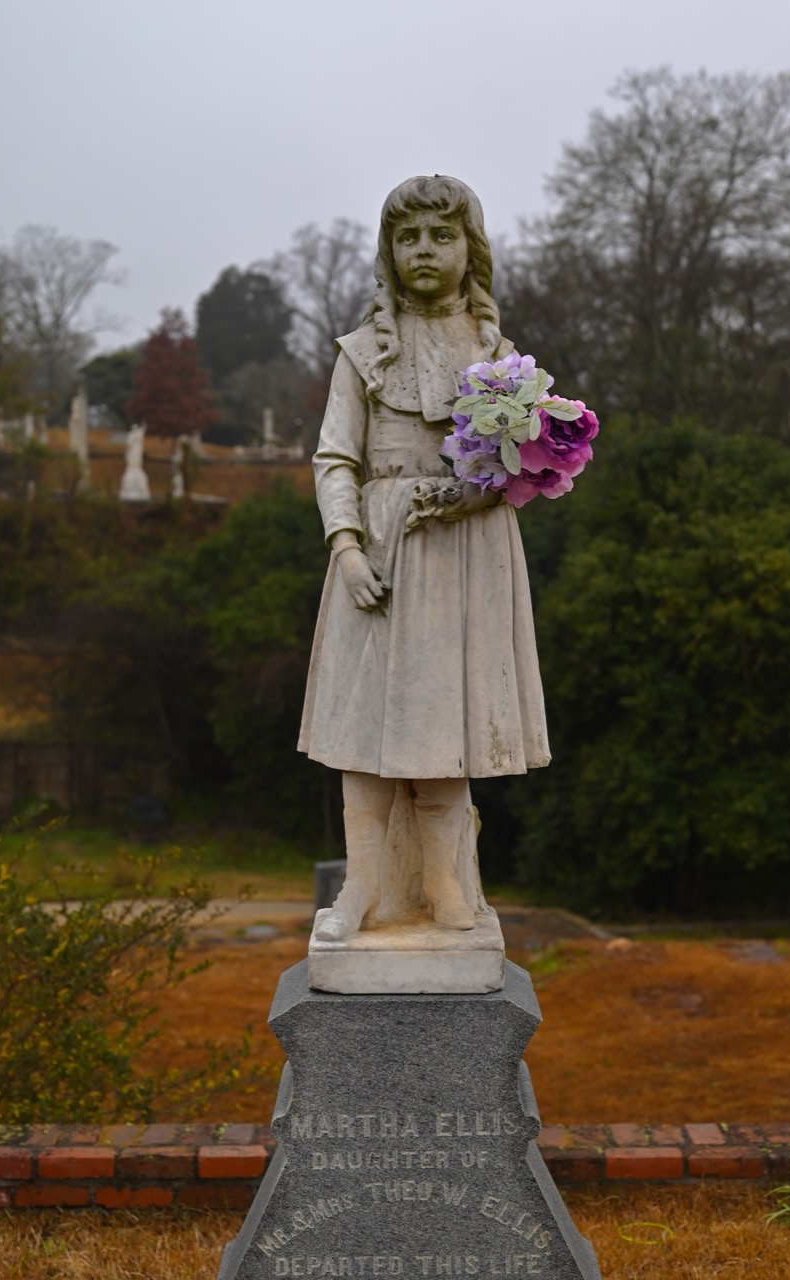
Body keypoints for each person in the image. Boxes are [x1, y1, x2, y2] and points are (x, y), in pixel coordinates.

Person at [298, 175, 550, 942]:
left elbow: (517, 468)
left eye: (441, 235)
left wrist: (486, 488)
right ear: (389, 251)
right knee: (364, 729)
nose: (423, 251)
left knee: (444, 725)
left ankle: (445, 886)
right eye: (408, 237)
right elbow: (334, 457)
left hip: (466, 556)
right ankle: (362, 891)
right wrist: (345, 548)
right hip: (377, 553)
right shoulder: (363, 351)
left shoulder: (497, 356)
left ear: (469, 247)